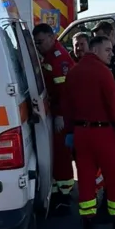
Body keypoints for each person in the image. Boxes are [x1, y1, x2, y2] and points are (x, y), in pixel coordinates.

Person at [60, 34, 115, 229]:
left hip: (81, 135)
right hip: (103, 134)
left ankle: (87, 225)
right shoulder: (104, 72)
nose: (111, 54)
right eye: (107, 50)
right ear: (94, 51)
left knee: (86, 180)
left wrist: (70, 132)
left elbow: (67, 107)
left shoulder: (73, 71)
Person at [32, 22, 76, 215]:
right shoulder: (49, 56)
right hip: (55, 111)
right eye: (36, 43)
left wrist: (59, 115)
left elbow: (65, 92)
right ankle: (59, 190)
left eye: (41, 42)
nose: (38, 46)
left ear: (51, 37)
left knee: (62, 155)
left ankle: (65, 196)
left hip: (62, 114)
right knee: (56, 154)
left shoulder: (60, 60)